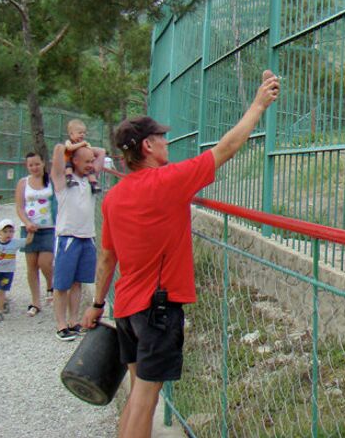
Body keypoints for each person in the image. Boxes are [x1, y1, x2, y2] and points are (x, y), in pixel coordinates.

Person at [81, 70, 280, 438]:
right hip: (158, 310)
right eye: (161, 137)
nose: (166, 142)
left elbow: (107, 258)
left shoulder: (114, 197)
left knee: (139, 394)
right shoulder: (169, 182)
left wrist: (96, 304)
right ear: (147, 147)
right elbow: (227, 148)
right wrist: (259, 104)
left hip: (125, 306)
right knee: (145, 399)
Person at [51, 143, 105, 341]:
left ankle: (74, 321)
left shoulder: (90, 181)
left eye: (92, 161)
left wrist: (87, 147)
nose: (91, 164)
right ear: (74, 160)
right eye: (87, 161)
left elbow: (102, 153)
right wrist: (73, 146)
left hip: (87, 237)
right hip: (68, 237)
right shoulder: (64, 181)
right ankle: (61, 324)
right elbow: (57, 152)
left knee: (77, 283)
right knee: (62, 284)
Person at [15, 151, 56, 317]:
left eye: (37, 164)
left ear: (43, 163)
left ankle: (50, 285)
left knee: (45, 261)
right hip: (30, 228)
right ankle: (35, 301)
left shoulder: (51, 180)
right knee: (31, 265)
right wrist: (27, 222)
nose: (34, 167)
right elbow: (19, 206)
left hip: (49, 228)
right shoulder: (23, 183)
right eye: (31, 165)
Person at [0, 218, 30, 322]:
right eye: (5, 231)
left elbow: (27, 241)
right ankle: (3, 303)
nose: (8, 234)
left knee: (1, 290)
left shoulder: (14, 243)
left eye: (11, 231)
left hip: (7, 272)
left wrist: (31, 231)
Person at [64, 119, 102, 194]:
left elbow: (89, 151)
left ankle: (93, 184)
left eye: (84, 133)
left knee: (91, 169)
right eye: (80, 133)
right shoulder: (69, 142)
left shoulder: (85, 143)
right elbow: (69, 148)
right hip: (71, 161)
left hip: (82, 164)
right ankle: (69, 178)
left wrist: (90, 154)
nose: (82, 135)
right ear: (71, 134)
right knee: (68, 165)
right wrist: (81, 144)